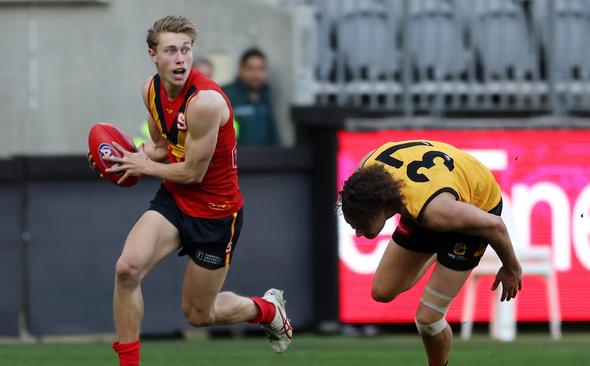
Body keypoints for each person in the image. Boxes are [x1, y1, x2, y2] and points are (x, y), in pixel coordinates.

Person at [88, 16, 292, 366]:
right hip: (175, 200)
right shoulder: (149, 91)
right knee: (126, 269)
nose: (181, 58)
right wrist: (124, 159)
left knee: (199, 314)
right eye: (171, 50)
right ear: (153, 55)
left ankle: (266, 309)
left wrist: (144, 166)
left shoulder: (206, 103)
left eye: (186, 50)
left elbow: (193, 172)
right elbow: (162, 148)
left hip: (216, 211)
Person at [337, 139, 522, 366]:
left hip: (476, 207)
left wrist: (511, 267)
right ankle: (438, 250)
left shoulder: (435, 212)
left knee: (428, 320)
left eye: (362, 224)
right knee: (382, 291)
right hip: (430, 197)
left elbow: (495, 226)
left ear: (384, 207)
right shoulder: (365, 172)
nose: (357, 232)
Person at [223, 48, 277, 146]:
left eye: (261, 69)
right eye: (250, 68)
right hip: (236, 159)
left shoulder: (266, 95)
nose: (256, 74)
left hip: (264, 158)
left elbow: (272, 135)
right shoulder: (225, 94)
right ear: (240, 70)